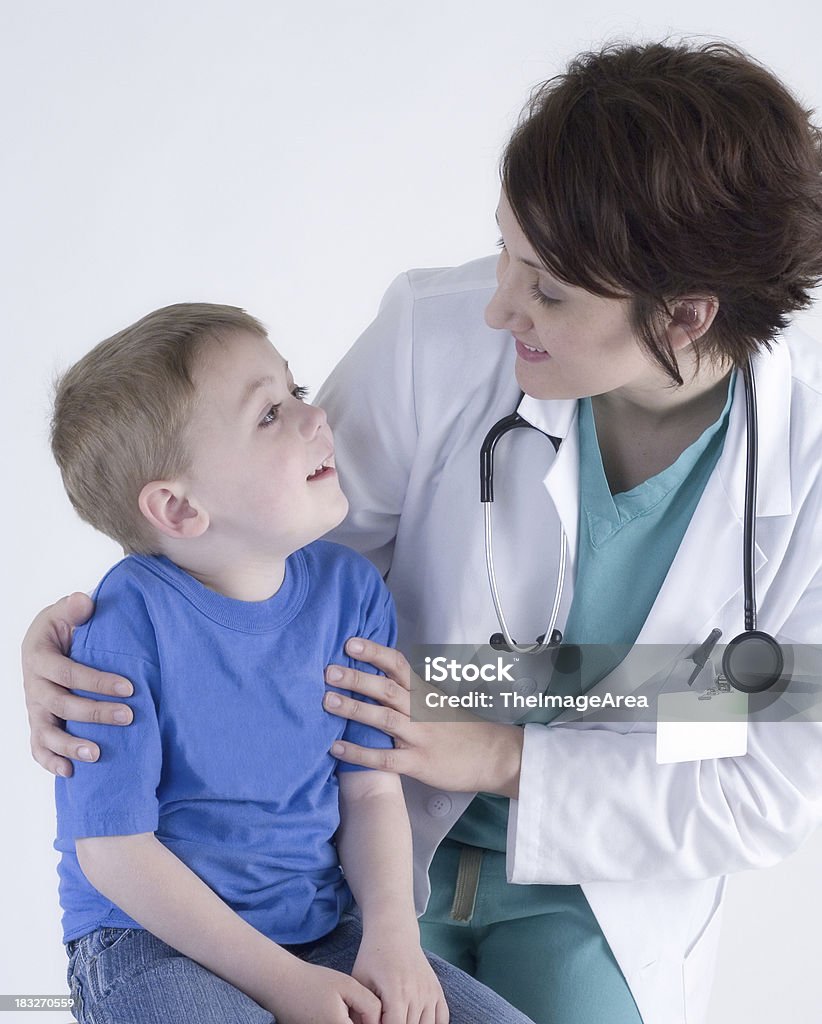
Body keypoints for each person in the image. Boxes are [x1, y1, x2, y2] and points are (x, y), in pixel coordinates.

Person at [22, 39, 822, 1024]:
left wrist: (502, 752)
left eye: (551, 291)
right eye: (505, 250)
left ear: (687, 315)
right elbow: (240, 561)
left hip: (599, 874)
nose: (498, 305)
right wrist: (77, 643)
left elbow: (770, 777)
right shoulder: (437, 342)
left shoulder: (802, 475)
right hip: (360, 846)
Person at [43, 304, 535, 1024]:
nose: (315, 418)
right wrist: (281, 985)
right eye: (270, 413)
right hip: (147, 940)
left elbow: (368, 794)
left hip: (320, 934)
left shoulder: (350, 594)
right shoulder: (126, 624)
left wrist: (393, 937)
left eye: (295, 391)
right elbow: (116, 855)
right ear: (178, 510)